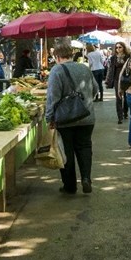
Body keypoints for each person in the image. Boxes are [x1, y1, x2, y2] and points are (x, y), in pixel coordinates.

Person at [44, 44, 99, 195]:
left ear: (57, 57)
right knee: (85, 147)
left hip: (65, 119)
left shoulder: (57, 70)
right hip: (87, 116)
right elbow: (95, 89)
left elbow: (52, 97)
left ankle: (70, 186)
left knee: (65, 151)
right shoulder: (84, 68)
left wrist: (49, 118)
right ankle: (86, 178)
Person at [105, 42, 131, 124]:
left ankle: (125, 112)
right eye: (116, 48)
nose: (118, 49)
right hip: (117, 80)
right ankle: (119, 117)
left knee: (126, 97)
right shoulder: (113, 58)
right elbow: (110, 69)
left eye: (120, 47)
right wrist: (108, 80)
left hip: (126, 79)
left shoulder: (128, 57)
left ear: (123, 47)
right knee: (118, 97)